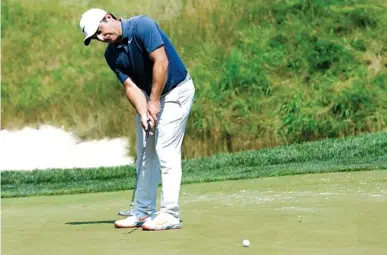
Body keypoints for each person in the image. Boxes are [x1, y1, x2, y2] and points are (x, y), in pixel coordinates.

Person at [79, 8, 195, 231]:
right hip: (151, 95)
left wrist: (153, 101)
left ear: (109, 17)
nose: (101, 38)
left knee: (165, 149)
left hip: (176, 91)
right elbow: (130, 86)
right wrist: (144, 112)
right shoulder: (111, 55)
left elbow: (161, 62)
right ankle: (142, 212)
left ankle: (170, 213)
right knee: (144, 151)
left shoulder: (143, 26)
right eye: (95, 37)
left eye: (100, 31)